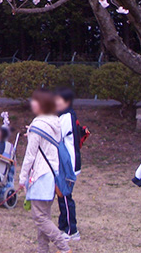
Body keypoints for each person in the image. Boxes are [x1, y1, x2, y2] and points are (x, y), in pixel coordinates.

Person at [18, 89, 71, 253]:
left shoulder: (38, 125)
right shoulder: (55, 122)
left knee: (39, 217)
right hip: (52, 175)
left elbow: (30, 155)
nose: (32, 104)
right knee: (44, 216)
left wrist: (22, 177)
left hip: (40, 174)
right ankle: (43, 249)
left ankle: (64, 247)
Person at [55, 87, 81, 241]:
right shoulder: (65, 116)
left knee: (65, 196)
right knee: (62, 195)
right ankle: (63, 226)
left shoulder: (67, 117)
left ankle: (72, 230)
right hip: (65, 163)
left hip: (68, 164)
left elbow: (55, 135)